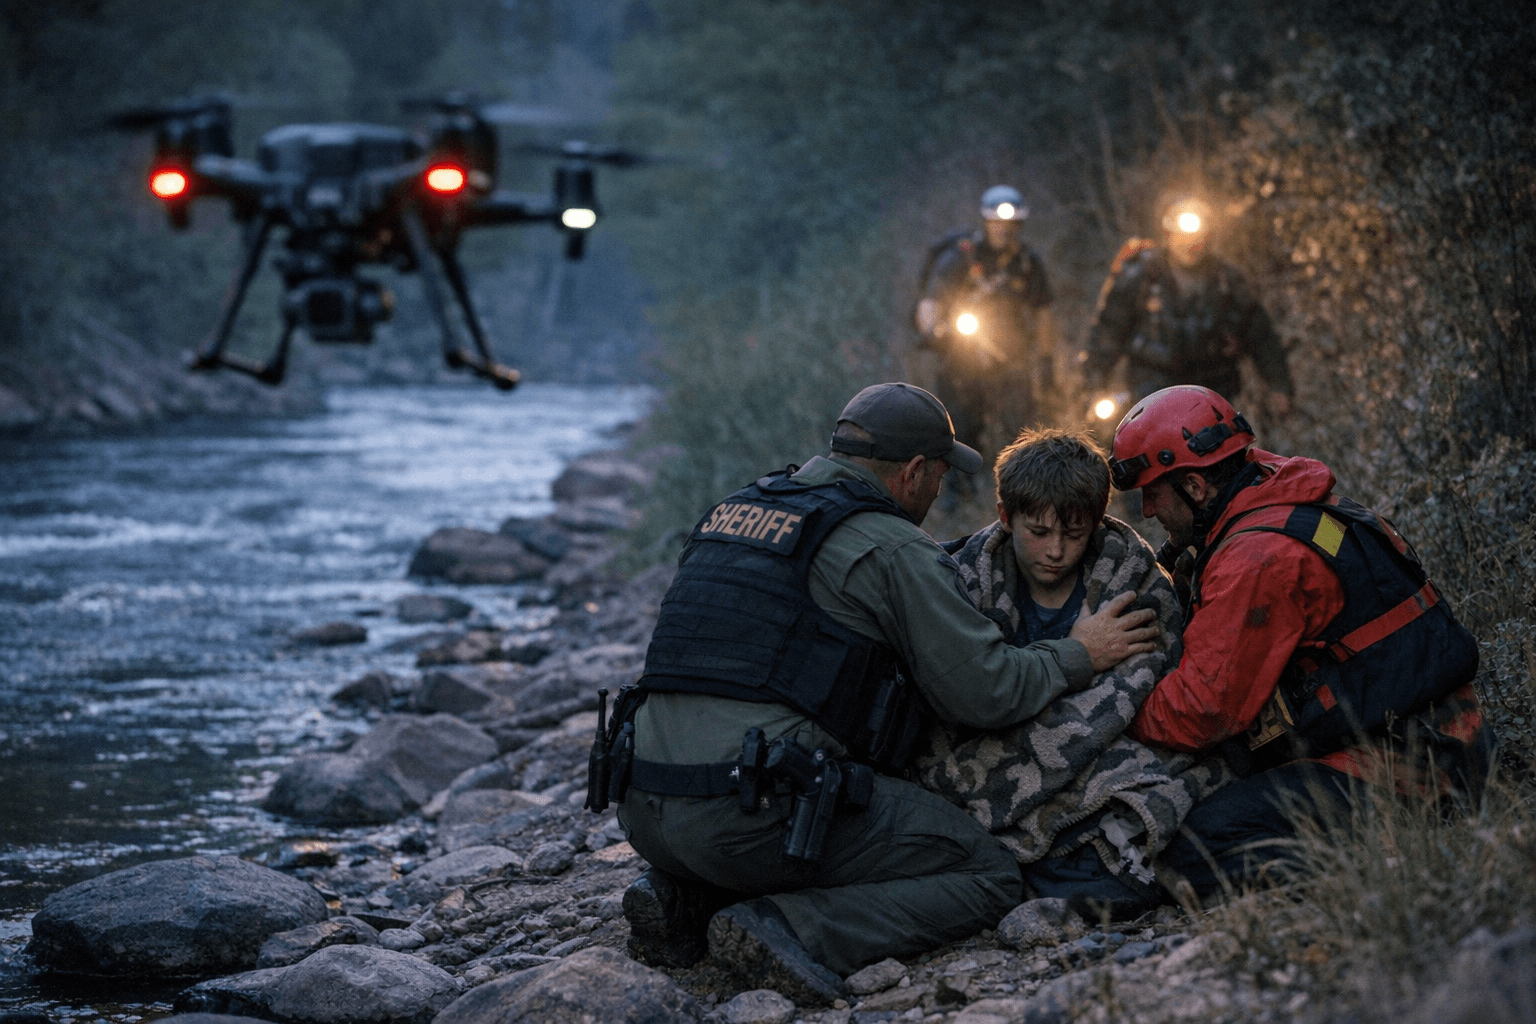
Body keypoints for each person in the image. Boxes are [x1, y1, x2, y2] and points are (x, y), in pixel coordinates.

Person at [598, 382, 1159, 1004]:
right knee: (986, 874)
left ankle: (683, 896)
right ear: (914, 472)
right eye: (940, 478)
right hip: (743, 814)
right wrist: (1082, 652)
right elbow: (988, 692)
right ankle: (794, 927)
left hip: (642, 806)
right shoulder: (891, 546)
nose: (938, 493)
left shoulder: (737, 509)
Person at [1098, 384, 1493, 906]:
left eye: (1152, 492)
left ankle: (1381, 861)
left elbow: (1202, 712)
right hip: (1450, 741)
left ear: (1194, 486)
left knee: (1190, 845)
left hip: (1409, 772)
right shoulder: (1284, 496)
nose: (1148, 511)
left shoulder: (1255, 558)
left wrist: (1111, 708)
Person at [1081, 198, 1294, 420]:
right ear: (1168, 236)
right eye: (1182, 237)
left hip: (1213, 398)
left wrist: (1279, 386)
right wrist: (1093, 386)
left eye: (1197, 238)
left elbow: (1262, 337)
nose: (1190, 245)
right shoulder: (1141, 277)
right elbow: (1108, 332)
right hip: (1150, 397)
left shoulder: (1228, 282)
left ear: (1208, 240)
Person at [914, 185, 1056, 458]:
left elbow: (1044, 313)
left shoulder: (1028, 264)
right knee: (961, 431)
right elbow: (931, 301)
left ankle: (1016, 490)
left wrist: (1046, 361)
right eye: (997, 222)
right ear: (986, 222)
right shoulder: (961, 258)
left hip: (1012, 360)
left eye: (1012, 223)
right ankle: (959, 495)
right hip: (962, 359)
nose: (1005, 229)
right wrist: (932, 333)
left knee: (1019, 432)